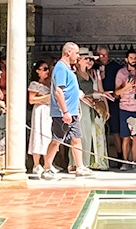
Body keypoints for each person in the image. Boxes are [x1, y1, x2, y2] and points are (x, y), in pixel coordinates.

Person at [42, 42, 92, 179]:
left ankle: (80, 167)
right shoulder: (60, 68)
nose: (78, 56)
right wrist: (65, 112)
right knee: (56, 140)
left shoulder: (68, 69)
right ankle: (47, 168)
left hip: (73, 111)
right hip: (62, 113)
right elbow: (59, 91)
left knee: (77, 139)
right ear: (68, 52)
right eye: (77, 53)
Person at [113, 48, 136, 170]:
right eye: (131, 58)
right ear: (126, 59)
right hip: (125, 108)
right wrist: (127, 87)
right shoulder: (121, 73)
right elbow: (116, 92)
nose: (133, 60)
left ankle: (135, 162)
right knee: (126, 137)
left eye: (135, 58)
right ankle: (125, 162)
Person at [75, 49, 109, 170]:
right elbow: (78, 92)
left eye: (90, 59)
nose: (89, 61)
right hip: (80, 105)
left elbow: (92, 90)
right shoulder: (74, 73)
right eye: (86, 59)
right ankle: (76, 163)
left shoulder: (89, 74)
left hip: (90, 105)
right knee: (80, 134)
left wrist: (102, 97)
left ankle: (85, 163)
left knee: (88, 134)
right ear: (79, 60)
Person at [94, 46, 123, 166]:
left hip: (113, 100)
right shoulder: (93, 67)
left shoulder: (115, 67)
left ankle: (120, 156)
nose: (103, 57)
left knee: (116, 129)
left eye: (105, 55)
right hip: (98, 101)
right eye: (100, 55)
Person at [27, 60, 53, 175]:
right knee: (38, 135)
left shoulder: (49, 83)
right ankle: (36, 164)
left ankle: (48, 163)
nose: (47, 71)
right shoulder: (34, 84)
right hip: (39, 111)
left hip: (48, 111)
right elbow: (32, 100)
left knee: (48, 136)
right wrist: (47, 97)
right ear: (38, 71)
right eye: (45, 69)